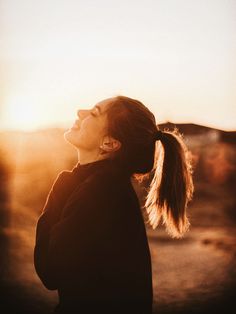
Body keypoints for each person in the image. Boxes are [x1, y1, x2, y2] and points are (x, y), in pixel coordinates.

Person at [33, 96, 194, 314]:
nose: (80, 111)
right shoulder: (106, 185)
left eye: (94, 112)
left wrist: (61, 188)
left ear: (109, 144)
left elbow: (51, 271)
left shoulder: (101, 191)